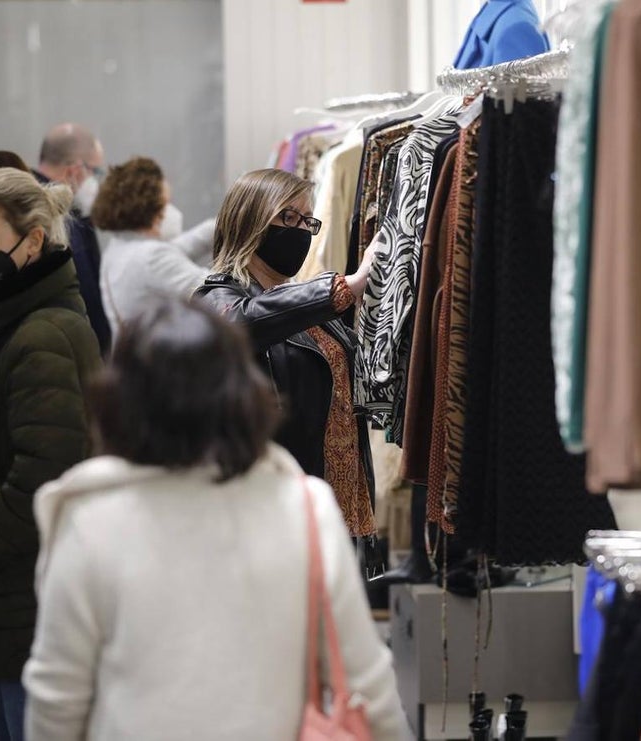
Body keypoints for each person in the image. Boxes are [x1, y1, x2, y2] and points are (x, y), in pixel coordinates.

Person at [23, 299, 408, 740]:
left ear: (119, 402)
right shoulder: (303, 509)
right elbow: (366, 679)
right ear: (243, 393)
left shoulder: (89, 521)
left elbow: (58, 698)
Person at [0, 167, 101, 741]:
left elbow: (44, 478)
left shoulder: (41, 336)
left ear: (32, 240)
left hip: (28, 601)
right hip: (17, 600)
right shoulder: (18, 327)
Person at [195, 169, 381, 561]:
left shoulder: (306, 306)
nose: (300, 230)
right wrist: (347, 286)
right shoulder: (216, 301)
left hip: (333, 508)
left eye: (307, 220)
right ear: (250, 219)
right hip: (268, 512)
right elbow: (246, 322)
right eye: (288, 217)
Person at [93, 156, 213, 337]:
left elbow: (179, 248)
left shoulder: (119, 248)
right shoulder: (151, 257)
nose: (170, 212)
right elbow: (215, 290)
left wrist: (220, 225)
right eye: (165, 204)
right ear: (149, 208)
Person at [33, 123, 111, 354]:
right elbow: (86, 292)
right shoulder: (58, 217)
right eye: (96, 172)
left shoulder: (32, 204)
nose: (97, 181)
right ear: (75, 170)